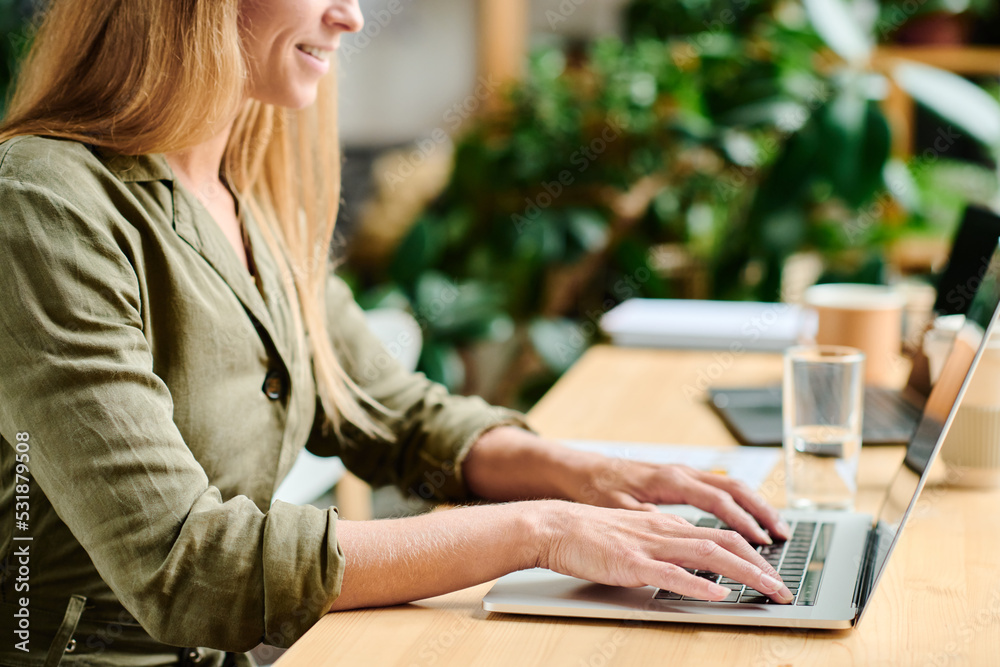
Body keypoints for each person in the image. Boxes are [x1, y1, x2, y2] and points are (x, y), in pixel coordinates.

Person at [0, 1, 793, 665]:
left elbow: (395, 413)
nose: (350, 16)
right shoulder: (41, 205)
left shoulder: (243, 188)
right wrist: (541, 530)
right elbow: (191, 565)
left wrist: (598, 477)